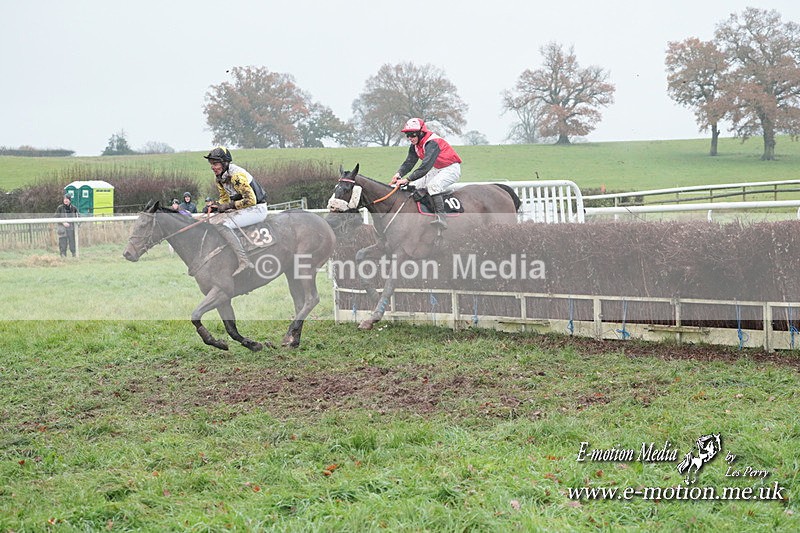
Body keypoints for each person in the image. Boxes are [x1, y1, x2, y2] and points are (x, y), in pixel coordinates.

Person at [203, 146, 268, 275]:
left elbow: (251, 200)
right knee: (214, 220)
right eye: (211, 164)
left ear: (225, 163)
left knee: (223, 225)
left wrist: (226, 207)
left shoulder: (236, 176)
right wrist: (215, 206)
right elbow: (224, 199)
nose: (212, 167)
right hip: (246, 208)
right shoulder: (220, 178)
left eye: (215, 164)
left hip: (257, 209)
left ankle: (244, 260)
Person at [389, 117, 463, 229]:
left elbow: (425, 167)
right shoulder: (415, 145)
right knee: (412, 187)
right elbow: (409, 162)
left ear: (421, 132)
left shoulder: (432, 143)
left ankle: (441, 218)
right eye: (407, 135)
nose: (410, 138)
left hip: (451, 168)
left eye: (412, 134)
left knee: (433, 186)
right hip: (437, 169)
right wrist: (398, 174)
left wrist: (407, 179)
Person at [55, 193, 78, 257]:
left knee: (72, 243)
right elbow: (56, 217)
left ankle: (74, 255)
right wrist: (63, 222)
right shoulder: (60, 208)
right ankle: (63, 256)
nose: (65, 200)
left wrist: (76, 225)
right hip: (62, 229)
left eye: (67, 199)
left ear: (70, 200)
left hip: (71, 228)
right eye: (64, 199)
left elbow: (78, 217)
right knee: (62, 243)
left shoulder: (74, 208)